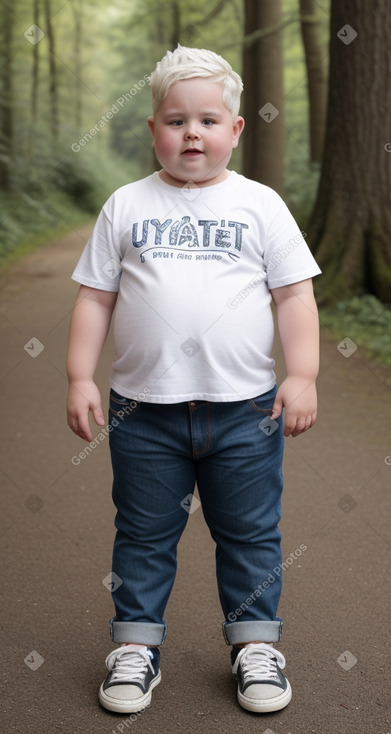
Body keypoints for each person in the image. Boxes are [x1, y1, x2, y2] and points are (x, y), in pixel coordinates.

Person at [66, 45, 321, 716]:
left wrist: (302, 373)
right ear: (152, 129)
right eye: (175, 121)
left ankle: (254, 645)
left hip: (246, 413)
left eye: (208, 120)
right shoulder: (125, 206)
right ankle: (135, 646)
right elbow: (95, 297)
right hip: (142, 414)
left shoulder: (259, 205)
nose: (191, 134)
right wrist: (79, 377)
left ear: (235, 129)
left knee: (249, 534)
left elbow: (293, 295)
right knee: (144, 534)